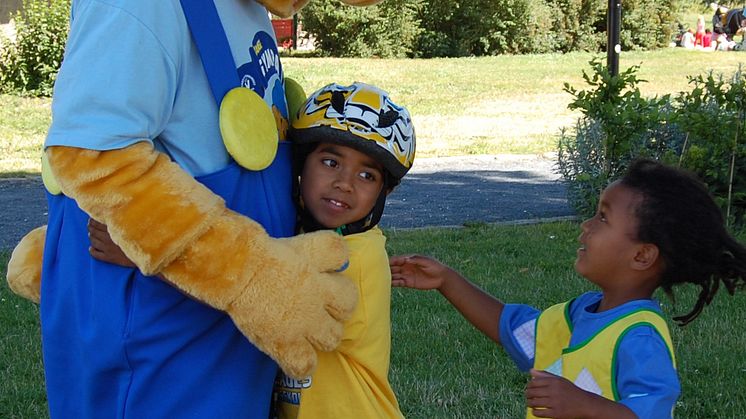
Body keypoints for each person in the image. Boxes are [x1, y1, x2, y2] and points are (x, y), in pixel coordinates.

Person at [4, 0, 380, 417]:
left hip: (224, 342)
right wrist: (250, 274)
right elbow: (94, 157)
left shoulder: (247, 9)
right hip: (161, 350)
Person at [87, 82, 416, 418]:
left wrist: (148, 251)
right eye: (331, 162)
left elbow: (245, 284)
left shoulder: (351, 258)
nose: (345, 183)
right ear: (301, 164)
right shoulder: (308, 233)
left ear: (383, 193)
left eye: (366, 175)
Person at [390, 159, 746, 418]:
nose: (586, 226)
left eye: (603, 217)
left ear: (641, 255)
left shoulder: (639, 336)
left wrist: (583, 405)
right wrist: (447, 280)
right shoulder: (580, 313)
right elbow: (513, 329)